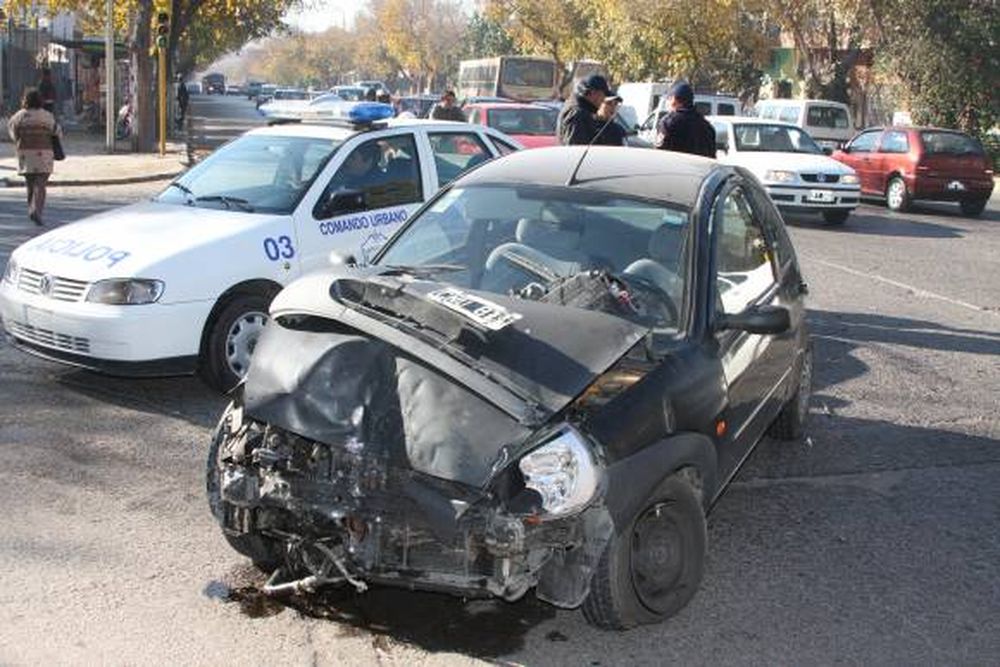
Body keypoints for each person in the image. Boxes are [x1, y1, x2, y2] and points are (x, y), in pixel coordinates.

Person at [8, 89, 61, 225]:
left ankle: (31, 207)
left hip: (25, 153)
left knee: (30, 183)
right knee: (41, 183)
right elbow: (57, 132)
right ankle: (37, 210)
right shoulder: (47, 116)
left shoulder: (19, 116)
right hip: (43, 153)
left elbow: (13, 132)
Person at [654, 81, 716, 158]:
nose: (667, 102)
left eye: (669, 98)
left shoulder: (668, 123)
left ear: (674, 99)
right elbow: (712, 157)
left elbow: (660, 154)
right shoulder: (707, 127)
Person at [557, 74, 614, 145]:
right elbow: (577, 147)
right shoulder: (577, 114)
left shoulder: (584, 111)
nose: (604, 99)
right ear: (593, 93)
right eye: (603, 95)